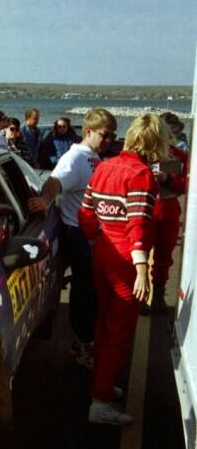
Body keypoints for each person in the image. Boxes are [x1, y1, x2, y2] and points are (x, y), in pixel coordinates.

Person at [78, 114, 169, 425]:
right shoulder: (142, 175)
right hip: (125, 259)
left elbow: (86, 212)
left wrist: (93, 241)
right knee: (120, 330)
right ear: (155, 143)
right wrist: (143, 268)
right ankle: (100, 402)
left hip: (103, 250)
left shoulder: (104, 166)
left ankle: (101, 385)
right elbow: (138, 226)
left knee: (105, 321)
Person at [28, 108, 117, 369]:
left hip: (90, 232)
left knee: (90, 290)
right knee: (85, 291)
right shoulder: (75, 157)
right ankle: (82, 344)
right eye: (105, 135)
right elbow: (55, 181)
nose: (109, 139)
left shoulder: (93, 157)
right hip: (76, 232)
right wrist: (45, 200)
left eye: (113, 135)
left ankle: (86, 339)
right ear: (88, 132)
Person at [142, 113, 188, 313]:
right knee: (140, 252)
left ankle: (158, 296)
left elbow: (188, 186)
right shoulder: (145, 153)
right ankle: (140, 297)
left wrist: (168, 179)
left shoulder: (180, 155)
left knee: (164, 254)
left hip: (168, 207)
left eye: (174, 133)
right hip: (147, 207)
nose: (170, 137)